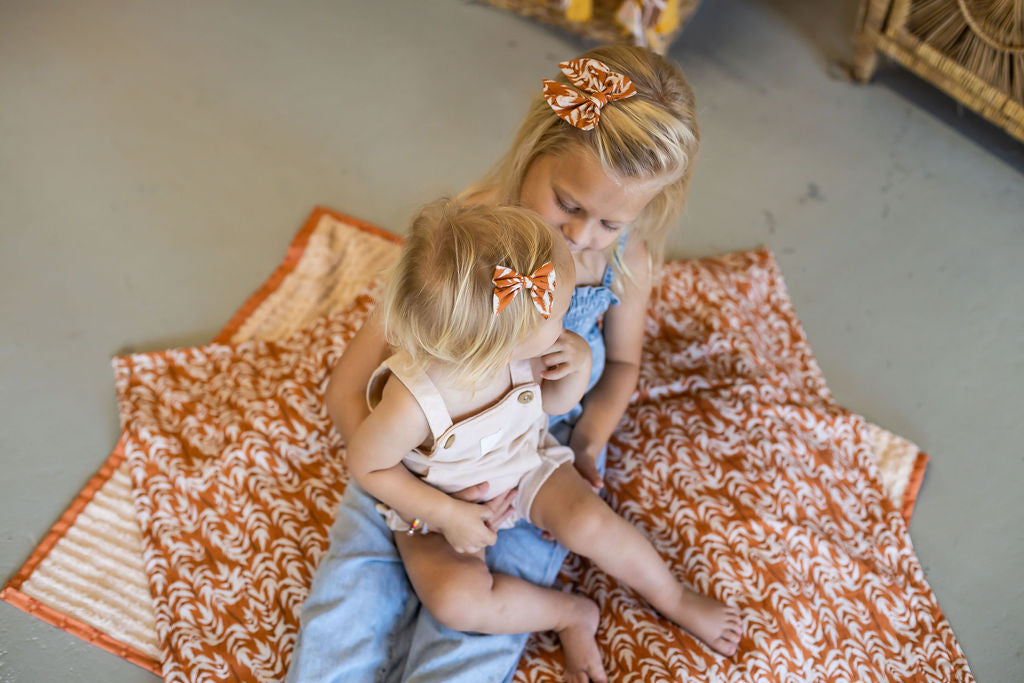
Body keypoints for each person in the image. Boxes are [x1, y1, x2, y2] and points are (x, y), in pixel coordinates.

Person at [287, 46, 726, 682]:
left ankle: (653, 600)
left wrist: (589, 438)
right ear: (534, 152)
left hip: (527, 448)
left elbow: (620, 366)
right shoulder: (462, 242)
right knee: (353, 597)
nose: (579, 239)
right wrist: (421, 498)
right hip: (420, 456)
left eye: (610, 222)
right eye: (569, 206)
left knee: (479, 626)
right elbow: (353, 388)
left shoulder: (625, 264)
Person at [349, 199, 739, 683]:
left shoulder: (519, 346)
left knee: (591, 522)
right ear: (499, 347)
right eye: (558, 318)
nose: (566, 324)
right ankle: (570, 614)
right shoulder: (410, 404)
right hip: (438, 502)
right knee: (454, 601)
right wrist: (446, 515)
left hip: (524, 464)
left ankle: (673, 595)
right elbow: (368, 466)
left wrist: (577, 369)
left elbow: (555, 405)